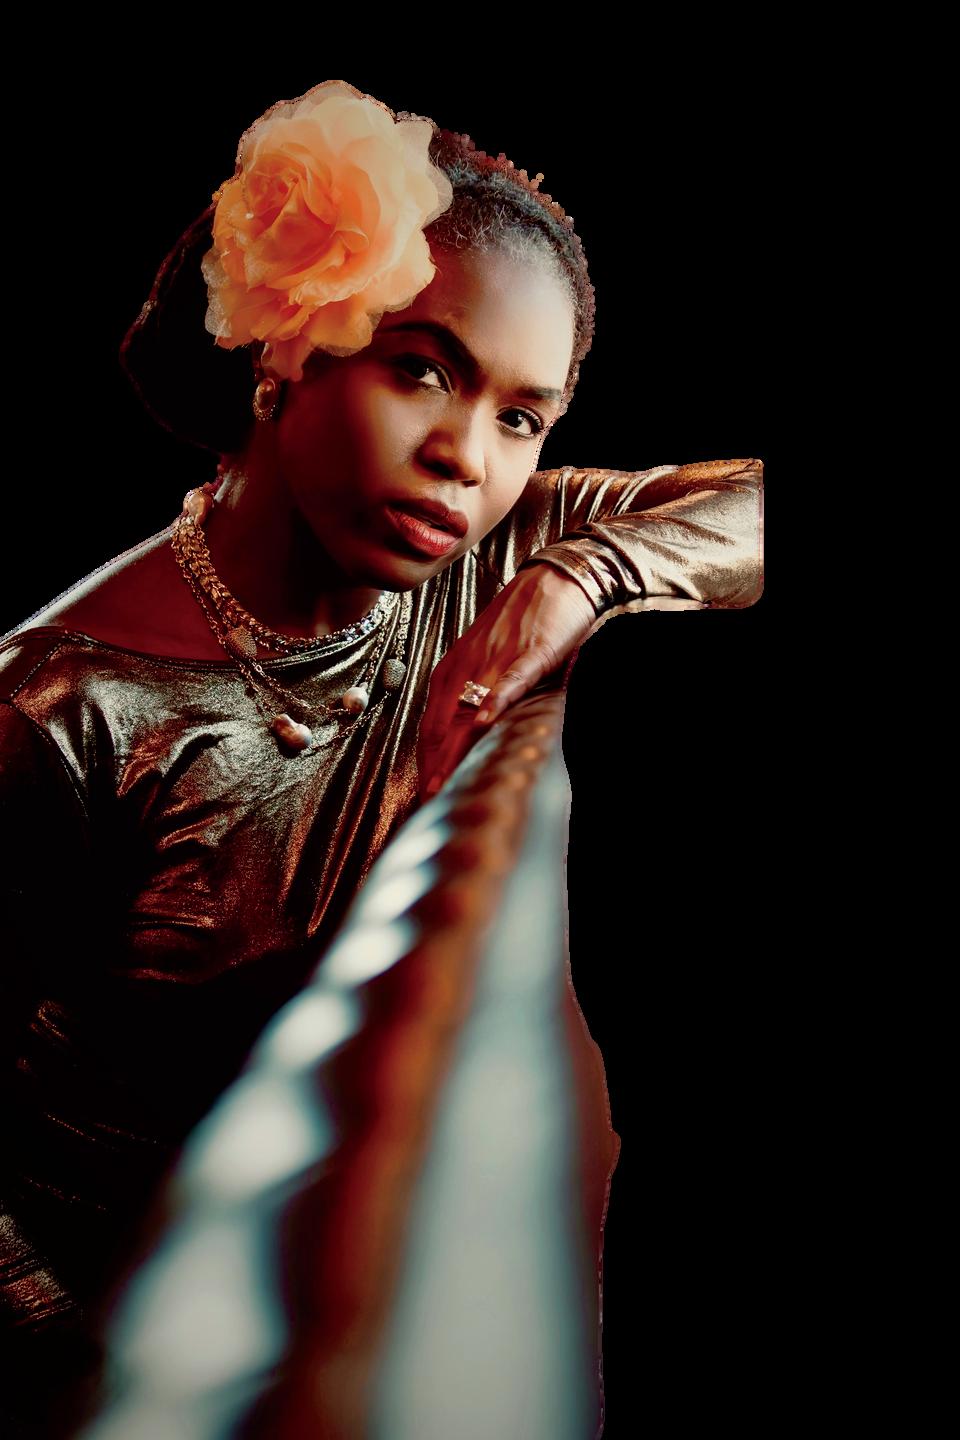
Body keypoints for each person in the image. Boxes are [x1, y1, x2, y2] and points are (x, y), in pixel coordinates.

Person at [0, 79, 762, 1433]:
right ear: (287, 352)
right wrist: (78, 1373)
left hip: (341, 1286)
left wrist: (581, 578)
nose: (466, 459)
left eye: (522, 418)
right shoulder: (64, 706)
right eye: (422, 369)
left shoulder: (485, 558)